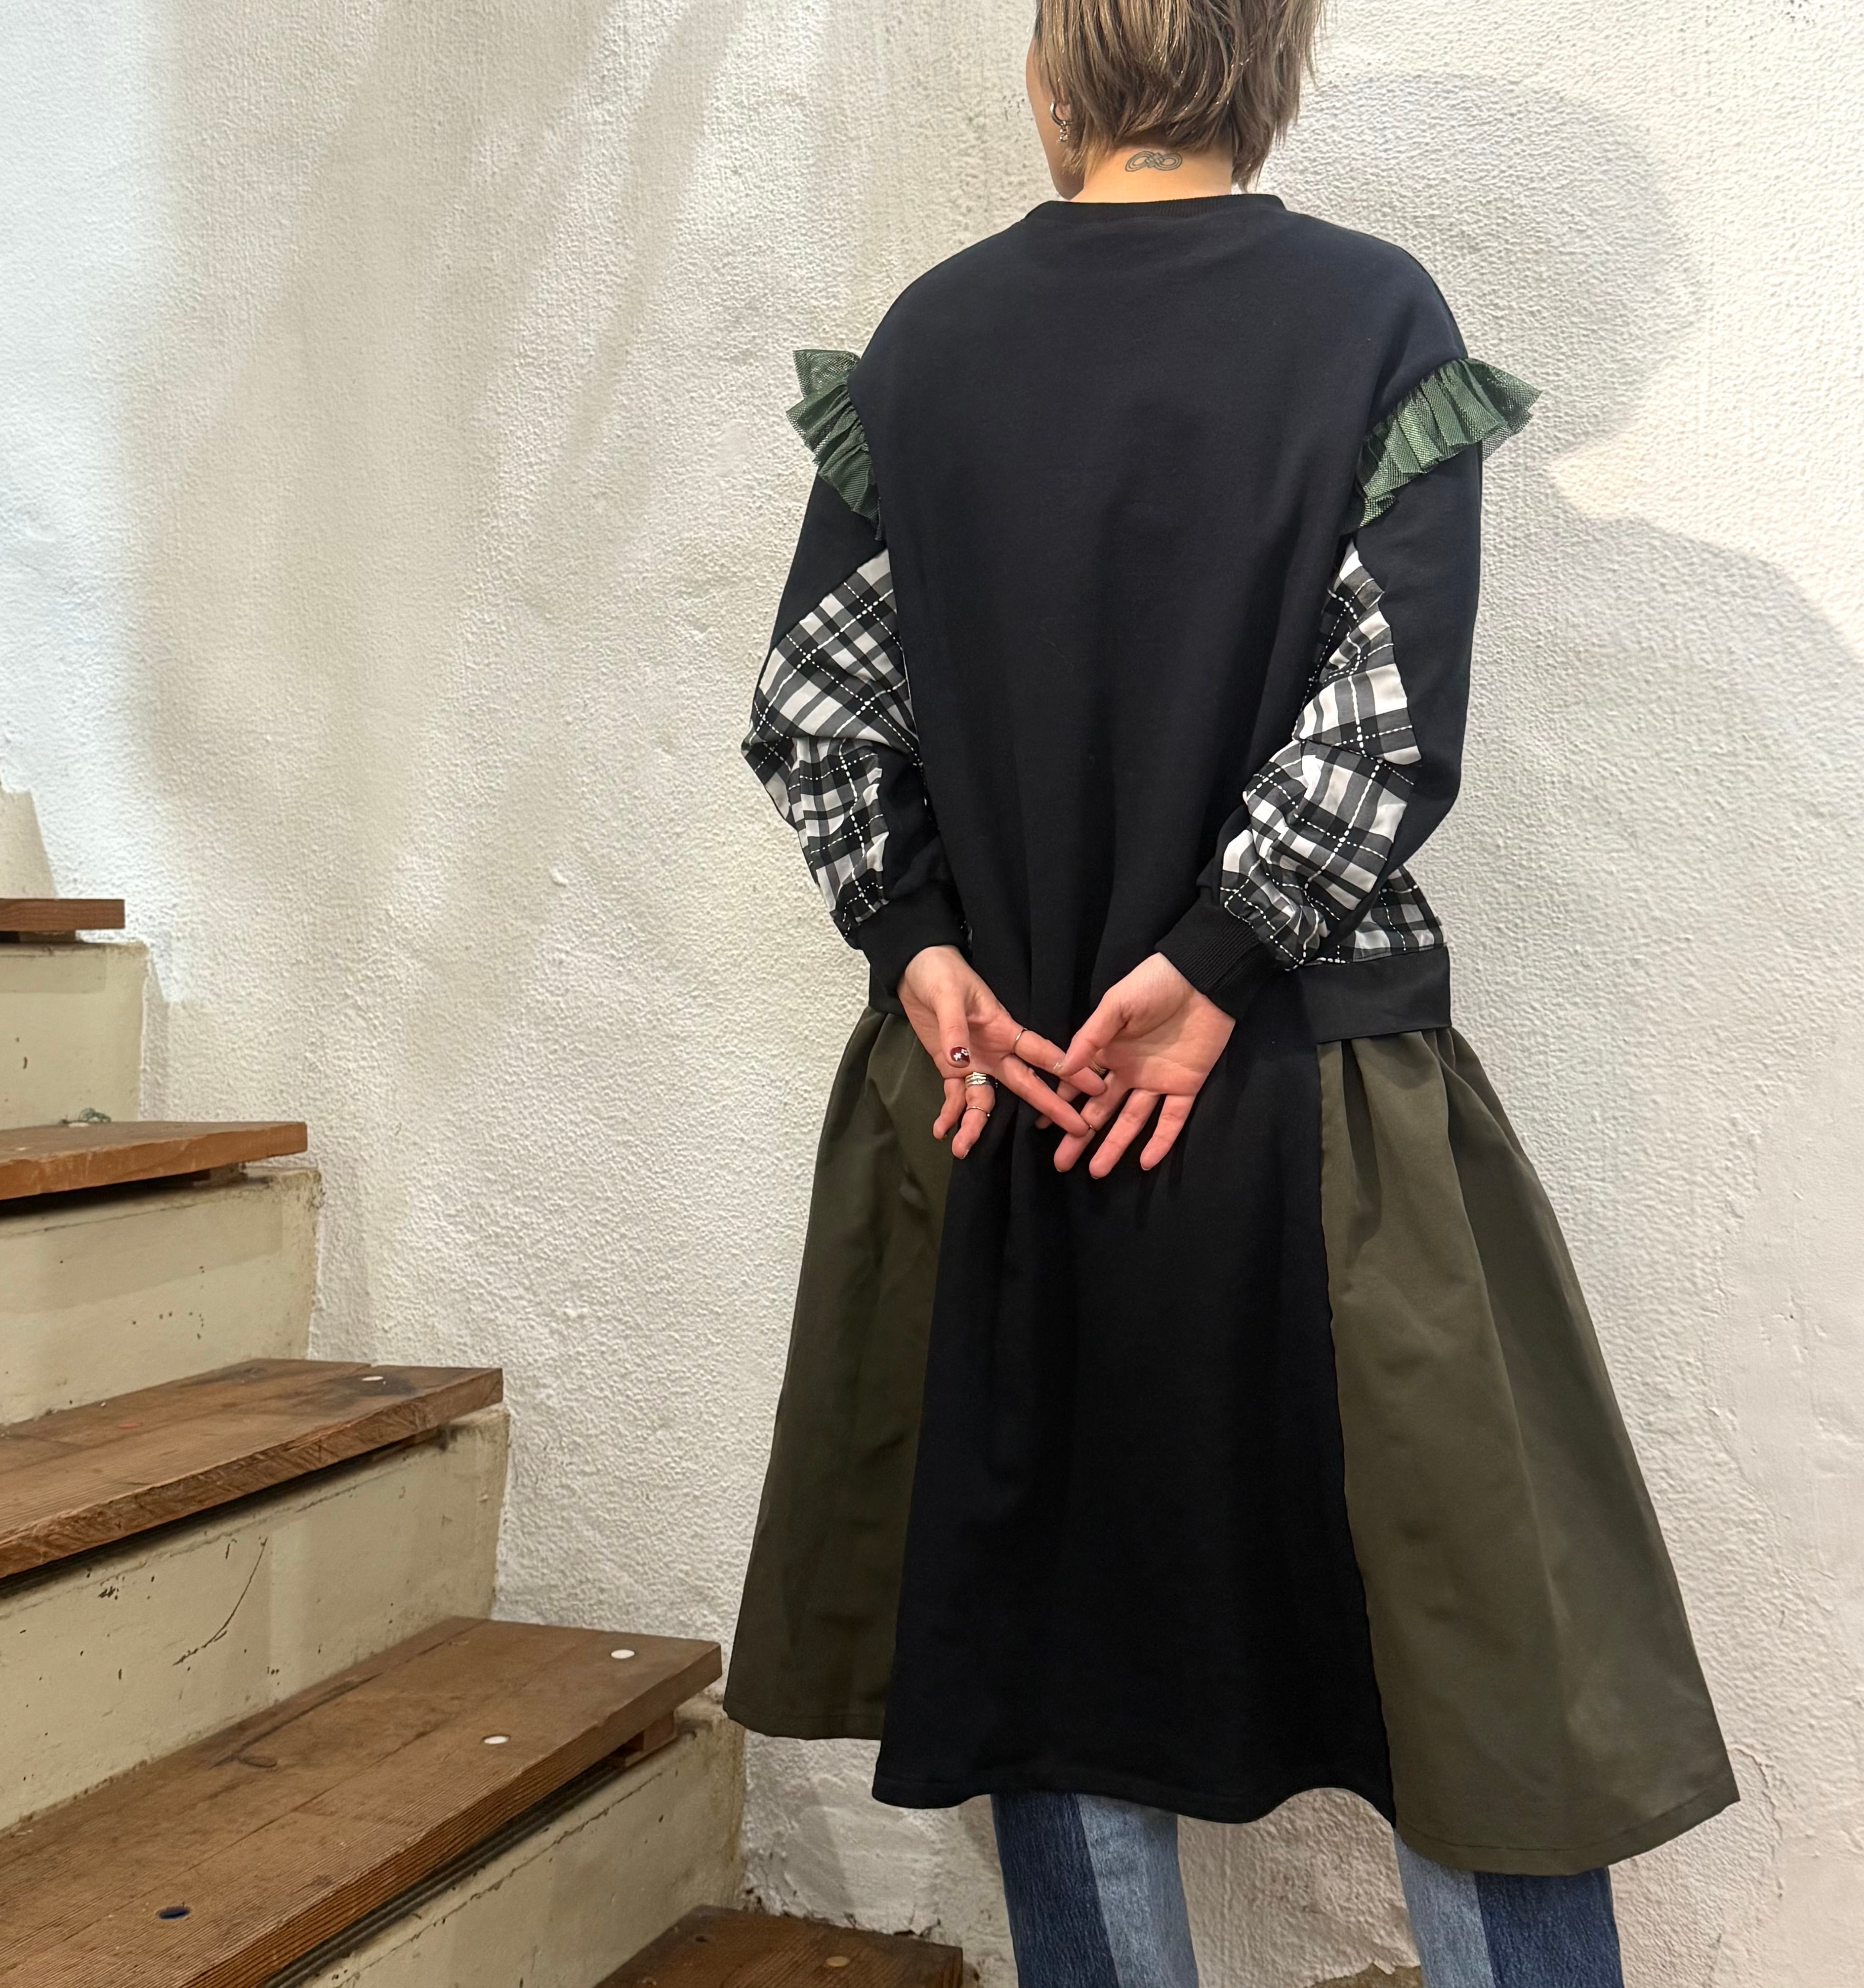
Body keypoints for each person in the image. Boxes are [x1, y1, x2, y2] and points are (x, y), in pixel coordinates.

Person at [725, 3, 1736, 1981]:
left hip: (1015, 1097)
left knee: (1050, 1625)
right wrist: (1209, 965)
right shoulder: (1369, 319)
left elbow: (821, 719)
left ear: (1052, 78)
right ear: (1272, 73)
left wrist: (921, 949)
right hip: (1310, 1090)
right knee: (1468, 1651)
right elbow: (1381, 723)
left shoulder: (927, 344)